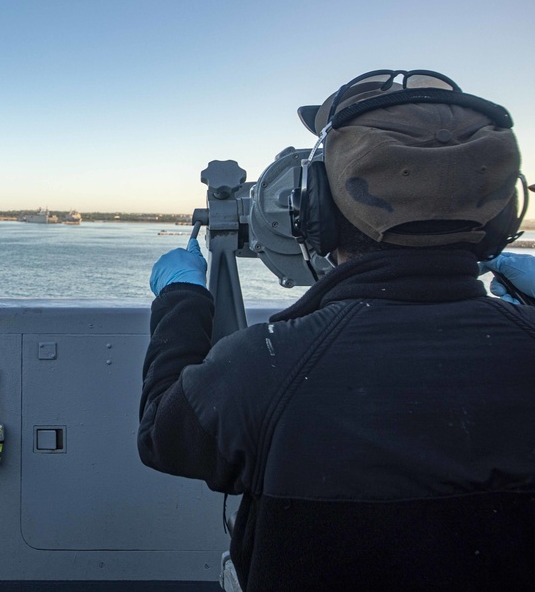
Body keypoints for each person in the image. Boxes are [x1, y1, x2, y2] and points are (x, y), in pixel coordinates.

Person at [139, 69, 535, 591]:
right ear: (505, 211)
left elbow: (164, 438)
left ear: (313, 207)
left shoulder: (267, 369)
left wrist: (181, 297)